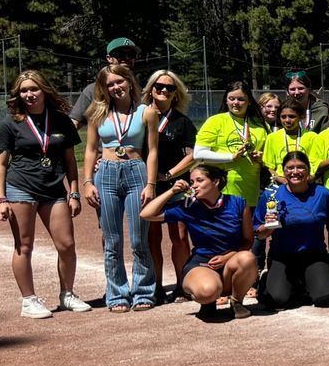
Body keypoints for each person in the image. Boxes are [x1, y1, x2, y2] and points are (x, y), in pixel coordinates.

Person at [0, 70, 88, 319]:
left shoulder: (61, 121)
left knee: (66, 244)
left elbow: (70, 160)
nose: (29, 94)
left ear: (44, 90)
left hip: (55, 188)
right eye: (23, 91)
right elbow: (1, 163)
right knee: (24, 245)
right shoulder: (10, 123)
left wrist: (74, 192)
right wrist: (0, 198)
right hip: (20, 187)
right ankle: (29, 300)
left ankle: (67, 294)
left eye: (33, 89)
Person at [81, 64, 156, 312]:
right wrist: (88, 182)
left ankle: (143, 291)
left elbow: (153, 151)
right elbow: (91, 150)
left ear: (129, 81)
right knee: (112, 241)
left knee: (138, 240)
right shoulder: (97, 112)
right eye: (110, 84)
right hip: (107, 175)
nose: (116, 88)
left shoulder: (146, 112)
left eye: (119, 82)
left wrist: (151, 184)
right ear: (104, 88)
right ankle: (117, 294)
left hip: (137, 172)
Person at [139, 164, 258, 318]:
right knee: (207, 291)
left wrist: (227, 257)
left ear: (215, 182)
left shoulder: (238, 203)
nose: (194, 185)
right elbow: (145, 214)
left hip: (231, 260)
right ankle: (208, 302)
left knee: (248, 258)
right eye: (192, 181)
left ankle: (237, 301)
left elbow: (248, 241)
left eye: (199, 180)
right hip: (202, 263)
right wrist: (171, 191)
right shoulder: (188, 206)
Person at [257, 150, 329, 310]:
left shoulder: (323, 194)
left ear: (308, 170)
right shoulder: (271, 196)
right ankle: (270, 278)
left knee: (327, 298)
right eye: (290, 168)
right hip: (283, 256)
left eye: (301, 167)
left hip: (314, 255)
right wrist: (268, 225)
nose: (295, 172)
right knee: (277, 300)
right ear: (283, 170)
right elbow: (259, 235)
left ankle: (305, 282)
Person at [141, 70, 197, 305]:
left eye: (169, 88)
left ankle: (182, 285)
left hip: (174, 185)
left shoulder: (182, 121)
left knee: (180, 236)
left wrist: (169, 174)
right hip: (148, 185)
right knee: (152, 237)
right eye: (159, 86)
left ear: (176, 94)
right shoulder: (141, 116)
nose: (163, 91)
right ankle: (155, 287)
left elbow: (193, 154)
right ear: (151, 88)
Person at [193, 80, 270, 213]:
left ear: (249, 101)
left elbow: (268, 155)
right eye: (231, 98)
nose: (236, 103)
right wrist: (231, 157)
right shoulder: (215, 121)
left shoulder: (261, 125)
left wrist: (261, 158)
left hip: (251, 191)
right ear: (226, 100)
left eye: (241, 99)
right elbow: (198, 154)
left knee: (248, 233)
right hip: (222, 191)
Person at [68, 37, 138, 127]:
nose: (126, 58)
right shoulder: (93, 90)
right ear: (109, 58)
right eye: (120, 54)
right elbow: (74, 124)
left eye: (131, 54)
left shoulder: (144, 89)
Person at [261, 101, 318, 188]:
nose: (287, 120)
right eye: (283, 117)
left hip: (305, 184)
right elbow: (268, 166)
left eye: (292, 116)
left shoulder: (312, 137)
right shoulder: (272, 137)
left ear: (301, 117)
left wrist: (309, 178)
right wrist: (280, 179)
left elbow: (315, 163)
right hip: (281, 185)